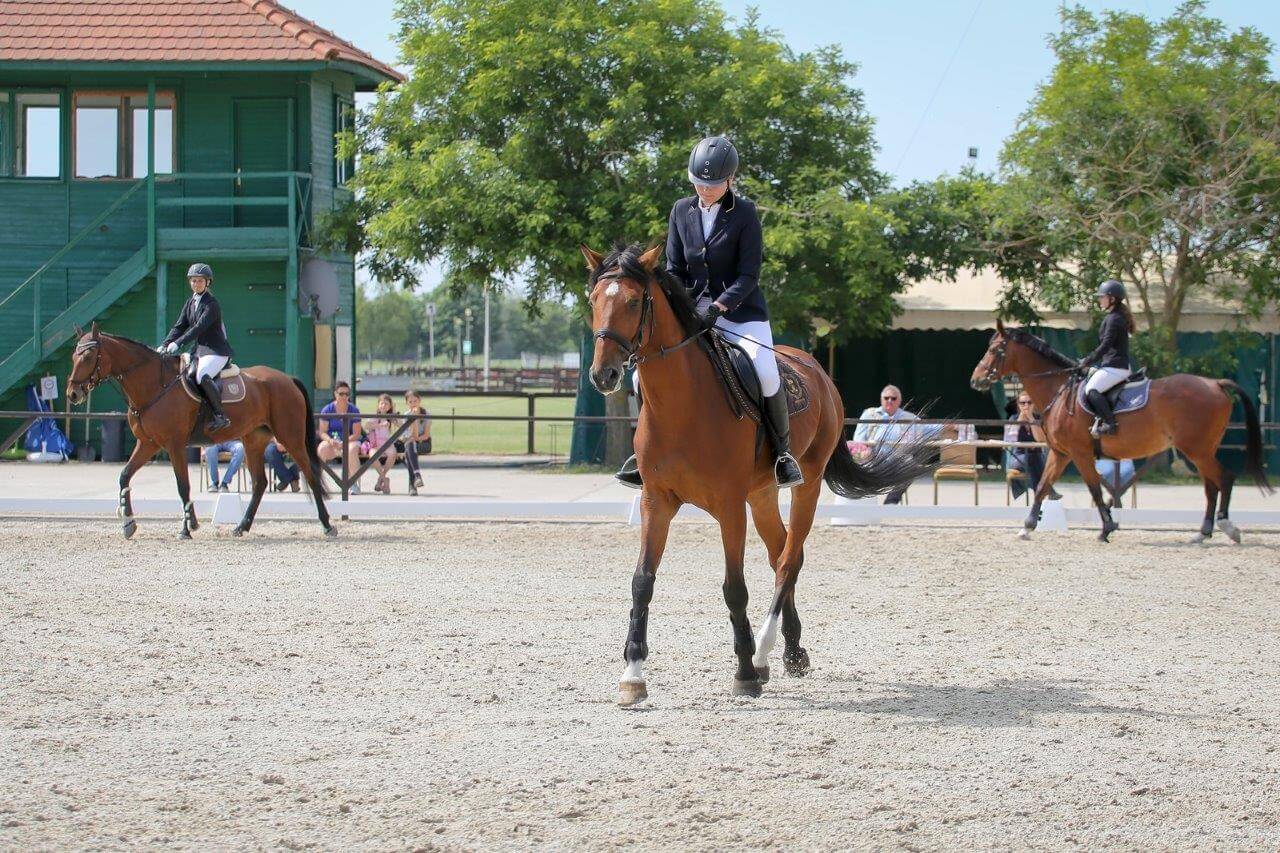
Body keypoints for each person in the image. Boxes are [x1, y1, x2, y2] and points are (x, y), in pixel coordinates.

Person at [616, 135, 802, 490]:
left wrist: (719, 306)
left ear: (730, 180)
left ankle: (782, 455)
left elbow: (749, 275)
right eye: (698, 183)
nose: (704, 190)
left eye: (713, 184)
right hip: (692, 312)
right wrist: (681, 307)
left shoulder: (744, 213)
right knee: (641, 376)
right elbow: (675, 269)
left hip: (741, 312)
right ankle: (645, 453)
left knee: (765, 371)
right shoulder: (680, 210)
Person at [157, 262, 233, 432]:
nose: (196, 284)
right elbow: (179, 326)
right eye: (193, 280)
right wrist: (165, 343)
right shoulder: (190, 303)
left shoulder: (212, 304)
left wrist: (178, 343)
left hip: (216, 351)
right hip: (200, 351)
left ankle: (221, 416)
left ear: (207, 282)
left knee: (202, 375)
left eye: (200, 280)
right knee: (185, 374)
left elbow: (198, 328)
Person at [852, 385, 931, 505]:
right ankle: (862, 504)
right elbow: (858, 440)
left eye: (893, 398)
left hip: (898, 461)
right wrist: (864, 451)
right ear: (881, 399)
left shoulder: (909, 418)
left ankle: (890, 503)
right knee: (858, 460)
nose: (889, 401)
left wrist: (950, 426)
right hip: (873, 459)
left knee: (911, 465)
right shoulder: (869, 414)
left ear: (899, 401)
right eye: (886, 398)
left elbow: (929, 428)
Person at [1079, 278, 1135, 437]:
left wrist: (1087, 360)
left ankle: (1111, 423)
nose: (1099, 300)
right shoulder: (1116, 316)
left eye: (1102, 297)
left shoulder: (1114, 319)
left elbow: (1105, 346)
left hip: (1116, 367)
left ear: (1112, 299)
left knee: (1091, 389)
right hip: (1112, 365)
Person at [1003, 394, 1061, 501]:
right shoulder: (1013, 418)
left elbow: (1040, 439)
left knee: (1034, 458)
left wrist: (1031, 419)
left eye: (1029, 402)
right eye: (1023, 403)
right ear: (1018, 405)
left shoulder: (1038, 419)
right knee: (1033, 458)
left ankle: (1039, 496)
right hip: (1018, 457)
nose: (1026, 405)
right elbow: (1010, 439)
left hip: (1037, 457)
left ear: (1034, 404)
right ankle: (1047, 491)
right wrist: (1019, 421)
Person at [317, 381, 363, 494]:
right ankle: (317, 483)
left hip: (350, 441)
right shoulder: (327, 409)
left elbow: (357, 434)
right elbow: (322, 432)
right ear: (335, 394)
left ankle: (353, 484)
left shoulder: (354, 410)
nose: (344, 397)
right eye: (341, 394)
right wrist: (330, 440)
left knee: (351, 449)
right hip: (332, 443)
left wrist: (344, 442)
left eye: (347, 394)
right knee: (321, 448)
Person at [362, 394, 399, 494]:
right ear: (378, 405)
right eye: (382, 403)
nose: (383, 406)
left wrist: (394, 412)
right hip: (375, 443)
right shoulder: (375, 416)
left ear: (390, 406)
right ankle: (384, 480)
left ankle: (380, 479)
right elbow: (366, 426)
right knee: (372, 456)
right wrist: (380, 425)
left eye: (386, 404)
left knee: (393, 454)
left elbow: (400, 424)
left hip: (387, 443)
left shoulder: (390, 417)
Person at [400, 389, 431, 496]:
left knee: (410, 447)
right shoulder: (406, 415)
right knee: (410, 447)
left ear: (419, 401)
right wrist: (413, 419)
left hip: (423, 443)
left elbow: (425, 435)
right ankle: (417, 477)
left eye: (415, 401)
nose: (413, 404)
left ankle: (412, 485)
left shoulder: (426, 414)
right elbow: (410, 436)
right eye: (410, 402)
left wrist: (416, 419)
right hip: (410, 442)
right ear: (407, 403)